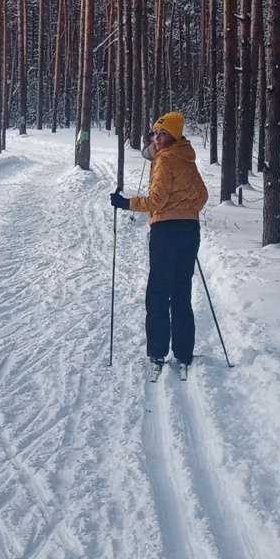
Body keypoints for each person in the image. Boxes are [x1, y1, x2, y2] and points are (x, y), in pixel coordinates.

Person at [110, 111, 209, 378]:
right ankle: (184, 351)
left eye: (162, 133)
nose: (157, 137)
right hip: (189, 230)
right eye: (156, 133)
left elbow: (156, 201)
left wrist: (126, 203)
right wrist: (186, 211)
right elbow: (202, 195)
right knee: (181, 290)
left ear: (173, 135)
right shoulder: (187, 158)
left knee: (158, 292)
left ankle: (157, 351)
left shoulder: (166, 160)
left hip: (166, 232)